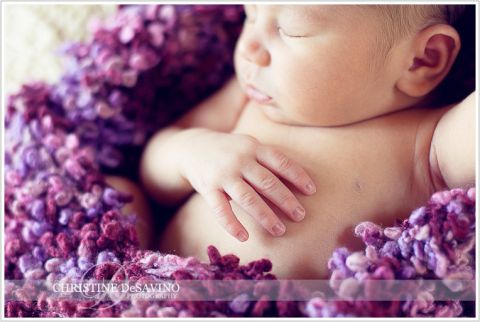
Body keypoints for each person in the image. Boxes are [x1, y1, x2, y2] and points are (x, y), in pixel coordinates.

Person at [108, 5, 475, 278]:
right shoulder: (247, 98)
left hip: (265, 309)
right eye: (251, 13)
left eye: (291, 31)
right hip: (150, 275)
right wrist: (193, 152)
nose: (249, 46)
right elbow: (154, 165)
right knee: (116, 194)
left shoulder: (431, 143)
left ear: (422, 60)